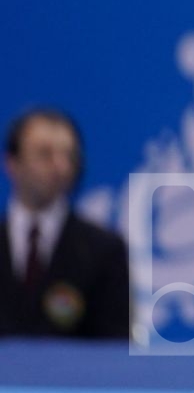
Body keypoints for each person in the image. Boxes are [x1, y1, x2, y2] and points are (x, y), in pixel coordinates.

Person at [1, 107, 129, 340]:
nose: (60, 167)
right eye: (44, 154)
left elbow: (114, 344)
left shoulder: (104, 249)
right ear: (12, 163)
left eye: (68, 156)